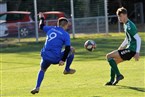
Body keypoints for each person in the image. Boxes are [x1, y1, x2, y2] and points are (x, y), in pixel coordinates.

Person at [31, 13, 76, 94]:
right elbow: (67, 48)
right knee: (72, 49)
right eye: (67, 25)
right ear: (65, 25)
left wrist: (42, 18)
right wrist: (62, 59)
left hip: (45, 56)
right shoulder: (65, 34)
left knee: (42, 70)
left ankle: (37, 87)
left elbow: (41, 26)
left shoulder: (50, 29)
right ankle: (67, 69)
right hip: (56, 58)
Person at [105, 7, 141, 85]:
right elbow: (128, 38)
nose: (119, 18)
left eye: (120, 16)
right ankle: (111, 81)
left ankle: (118, 75)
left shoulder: (129, 26)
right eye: (118, 16)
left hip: (131, 50)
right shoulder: (126, 24)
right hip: (129, 49)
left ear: (124, 15)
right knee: (113, 62)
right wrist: (121, 47)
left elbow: (138, 39)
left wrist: (137, 52)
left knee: (108, 56)